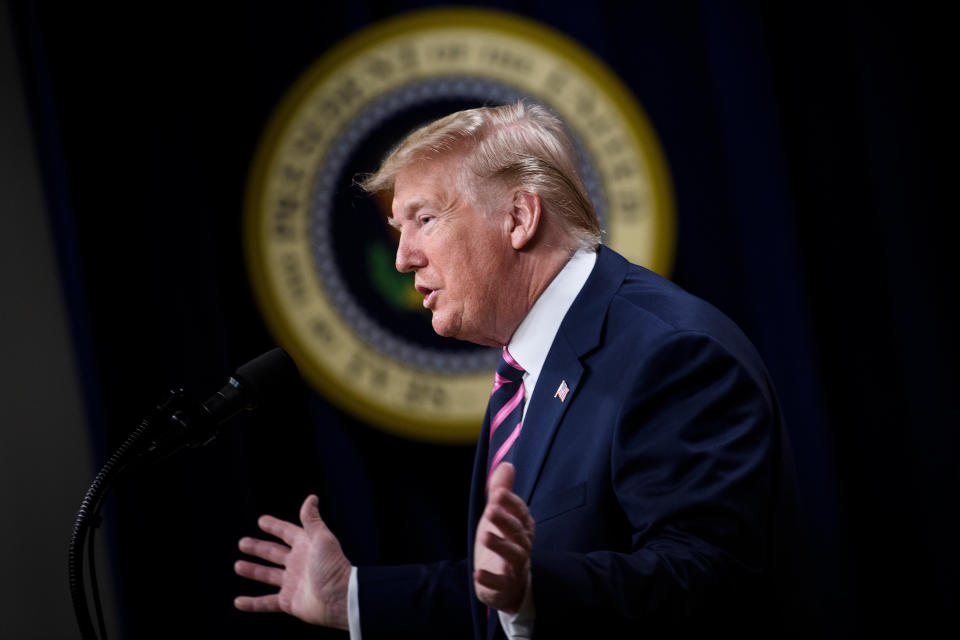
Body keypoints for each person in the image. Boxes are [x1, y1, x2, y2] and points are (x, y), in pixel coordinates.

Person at [233, 103, 794, 638]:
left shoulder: (669, 353)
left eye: (424, 219)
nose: (403, 257)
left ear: (520, 218)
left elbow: (706, 579)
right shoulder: (530, 367)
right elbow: (503, 603)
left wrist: (533, 590)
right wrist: (350, 597)